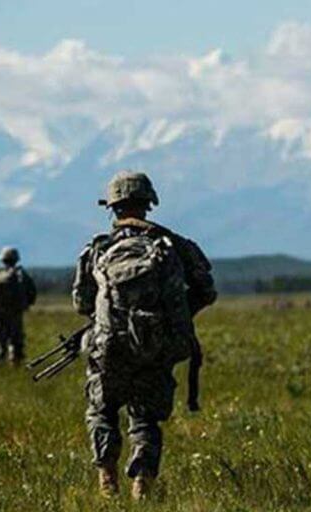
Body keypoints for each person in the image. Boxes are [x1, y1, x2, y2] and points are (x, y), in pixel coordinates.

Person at [72, 171, 216, 498]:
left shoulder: (97, 249)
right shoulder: (173, 246)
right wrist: (169, 317)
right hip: (156, 346)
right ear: (149, 203)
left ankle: (107, 480)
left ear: (112, 207)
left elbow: (82, 303)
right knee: (146, 420)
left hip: (108, 348)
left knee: (101, 412)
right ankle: (143, 483)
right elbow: (206, 291)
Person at [0, 247, 37, 366]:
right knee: (16, 343)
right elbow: (32, 292)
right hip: (15, 314)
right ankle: (15, 365)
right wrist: (24, 305)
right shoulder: (21, 275)